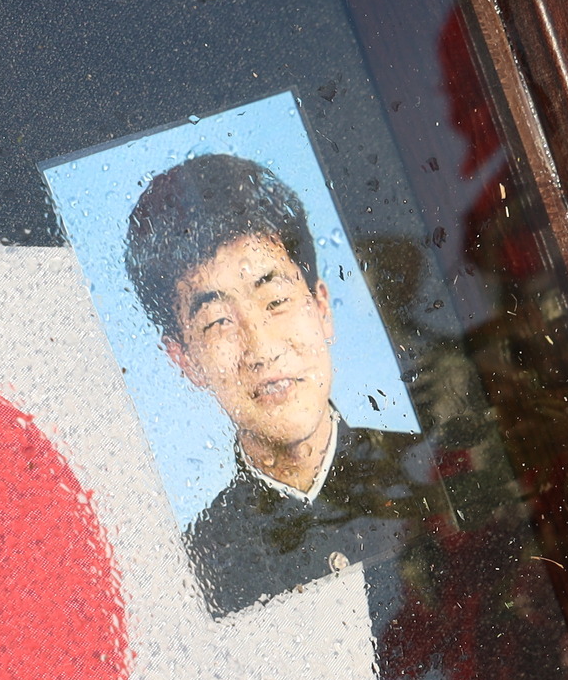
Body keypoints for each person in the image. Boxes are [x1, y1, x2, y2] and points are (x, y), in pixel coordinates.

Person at [123, 153, 428, 617]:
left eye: (275, 299)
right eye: (218, 321)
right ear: (186, 362)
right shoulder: (192, 573)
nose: (261, 348)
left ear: (321, 307)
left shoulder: (432, 472)